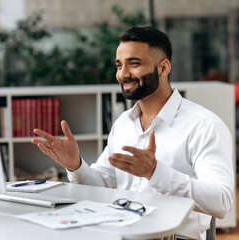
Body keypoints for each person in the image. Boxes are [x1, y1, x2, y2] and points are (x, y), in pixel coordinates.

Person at [31, 26, 234, 240]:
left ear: (164, 68)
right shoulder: (123, 124)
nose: (123, 74)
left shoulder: (204, 125)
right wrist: (76, 165)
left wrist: (156, 172)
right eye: (119, 65)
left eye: (134, 64)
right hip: (121, 233)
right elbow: (101, 185)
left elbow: (221, 202)